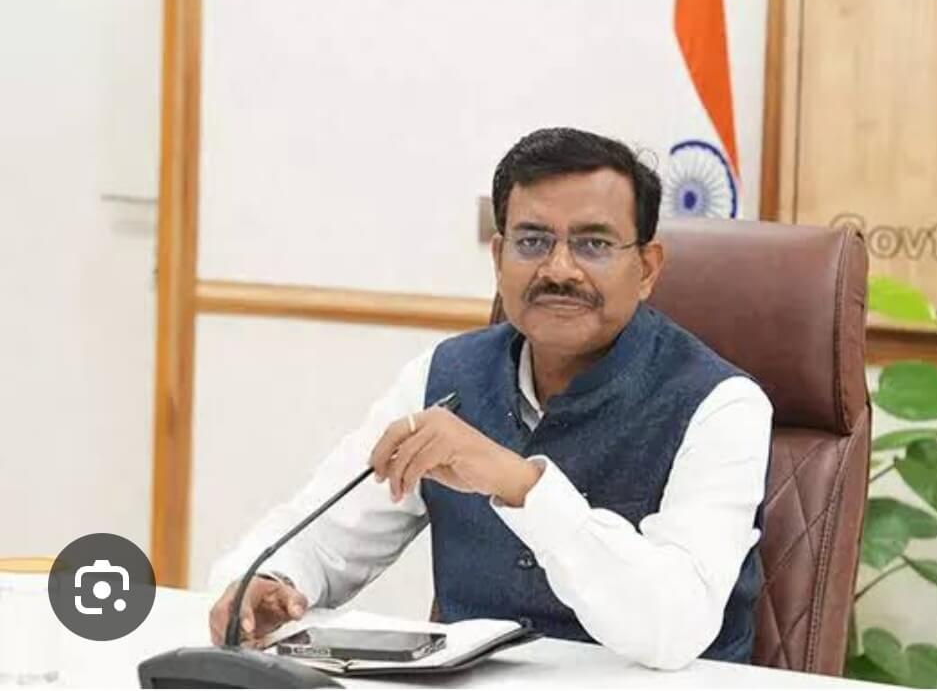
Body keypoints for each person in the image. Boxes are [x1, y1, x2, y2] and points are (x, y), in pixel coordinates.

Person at [207, 127, 771, 670]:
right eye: (533, 241)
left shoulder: (722, 406)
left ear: (646, 268)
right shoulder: (445, 376)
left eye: (594, 244)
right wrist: (272, 581)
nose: (559, 269)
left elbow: (674, 626)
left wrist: (522, 486)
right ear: (499, 257)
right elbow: (326, 535)